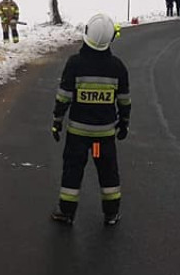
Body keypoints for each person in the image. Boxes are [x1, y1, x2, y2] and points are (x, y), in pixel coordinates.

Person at [49, 13, 130, 227]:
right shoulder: (117, 67)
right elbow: (124, 100)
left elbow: (63, 96)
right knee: (108, 173)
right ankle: (111, 214)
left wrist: (57, 121)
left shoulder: (75, 64)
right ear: (110, 39)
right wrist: (124, 123)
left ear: (87, 33)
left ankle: (66, 213)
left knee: (72, 172)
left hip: (78, 135)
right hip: (103, 137)